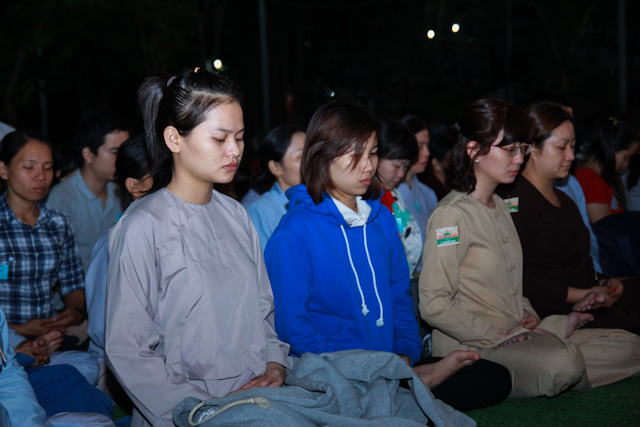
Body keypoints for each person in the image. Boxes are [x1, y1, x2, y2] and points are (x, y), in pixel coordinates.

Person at [266, 101, 511, 411]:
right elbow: (293, 327)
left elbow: (400, 298)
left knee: (494, 377)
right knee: (371, 401)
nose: (369, 166)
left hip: (390, 363)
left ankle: (405, 385)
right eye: (355, 155)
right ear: (322, 157)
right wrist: (369, 369)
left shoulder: (381, 218)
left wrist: (404, 355)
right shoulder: (294, 232)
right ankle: (406, 387)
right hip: (333, 370)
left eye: (372, 153)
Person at [104, 68, 291, 427]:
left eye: (239, 137)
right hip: (185, 414)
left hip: (256, 402)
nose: (235, 150)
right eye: (220, 139)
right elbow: (128, 350)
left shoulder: (236, 215)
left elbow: (263, 310)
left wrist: (274, 363)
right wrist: (198, 410)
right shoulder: (142, 226)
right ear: (174, 139)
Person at [419, 98, 640, 398]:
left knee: (629, 345)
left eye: (522, 149)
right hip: (475, 344)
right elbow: (434, 303)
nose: (519, 159)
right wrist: (496, 335)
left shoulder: (500, 205)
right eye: (509, 149)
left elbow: (513, 282)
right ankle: (547, 365)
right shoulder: (451, 215)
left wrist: (530, 315)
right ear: (473, 151)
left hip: (519, 334)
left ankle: (550, 357)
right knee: (562, 363)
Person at [497, 102, 640, 334]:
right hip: (554, 310)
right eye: (561, 147)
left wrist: (605, 283)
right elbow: (517, 279)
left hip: (589, 296)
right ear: (532, 149)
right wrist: (583, 294)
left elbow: (579, 262)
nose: (571, 156)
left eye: (573, 146)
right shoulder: (515, 203)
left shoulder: (565, 199)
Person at [0, 130, 98, 384]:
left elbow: (73, 285)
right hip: (4, 340)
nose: (40, 176)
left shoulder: (58, 223)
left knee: (88, 366)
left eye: (47, 168)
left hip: (48, 340)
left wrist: (73, 312)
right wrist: (19, 330)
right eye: (29, 167)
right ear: (4, 169)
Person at [85, 135, 152, 394]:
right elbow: (103, 329)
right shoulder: (113, 245)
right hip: (122, 370)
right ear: (134, 186)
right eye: (161, 178)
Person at [47, 112, 129, 272]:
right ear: (88, 154)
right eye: (114, 152)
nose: (122, 159)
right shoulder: (62, 198)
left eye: (125, 151)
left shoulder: (124, 193)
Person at [247, 125, 305, 251]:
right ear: (275, 167)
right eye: (301, 157)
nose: (310, 162)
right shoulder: (259, 212)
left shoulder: (320, 200)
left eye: (312, 154)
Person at [377, 119, 422, 276]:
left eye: (405, 166)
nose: (401, 173)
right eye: (397, 166)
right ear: (375, 156)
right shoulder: (362, 201)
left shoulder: (393, 195)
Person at [575, 117, 640, 223]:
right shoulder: (590, 180)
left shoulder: (599, 178)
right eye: (625, 157)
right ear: (611, 149)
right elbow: (604, 228)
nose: (626, 164)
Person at [398, 116, 438, 271]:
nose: (427, 153)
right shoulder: (385, 194)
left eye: (427, 145)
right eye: (420, 146)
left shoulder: (428, 194)